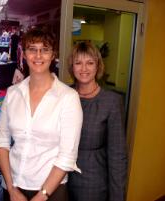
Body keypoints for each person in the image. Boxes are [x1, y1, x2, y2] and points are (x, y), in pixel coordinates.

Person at [0, 27, 83, 201]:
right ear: (24, 55)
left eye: (45, 50)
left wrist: (41, 196)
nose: (38, 56)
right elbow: (1, 141)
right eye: (32, 49)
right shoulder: (13, 93)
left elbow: (67, 156)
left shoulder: (68, 98)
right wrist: (11, 188)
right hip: (13, 188)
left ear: (53, 55)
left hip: (51, 191)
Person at [67, 41, 127, 201]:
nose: (84, 68)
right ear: (72, 67)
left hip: (93, 184)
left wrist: (117, 197)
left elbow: (118, 156)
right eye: (78, 63)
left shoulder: (112, 101)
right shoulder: (64, 95)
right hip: (60, 180)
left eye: (90, 63)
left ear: (97, 66)